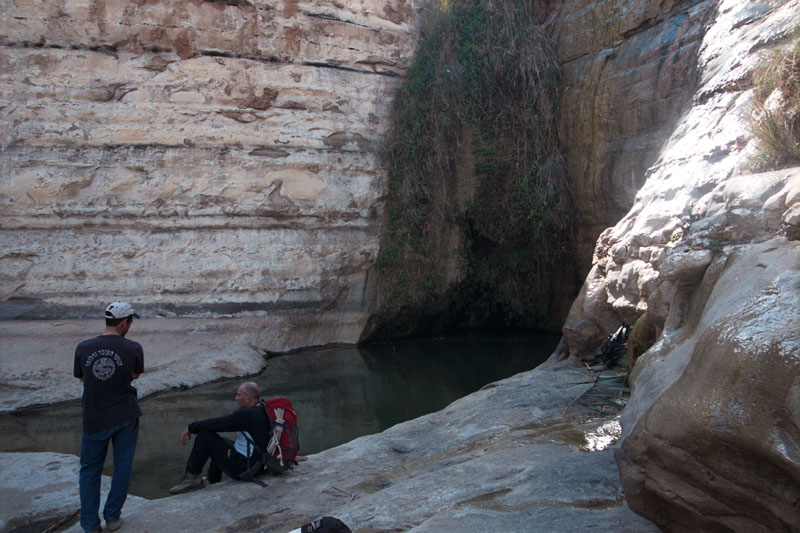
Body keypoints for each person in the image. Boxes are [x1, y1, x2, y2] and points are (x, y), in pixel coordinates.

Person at [74, 302, 144, 533]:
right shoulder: (133, 348)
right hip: (125, 414)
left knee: (90, 470)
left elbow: (82, 378)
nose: (130, 326)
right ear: (124, 322)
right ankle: (113, 518)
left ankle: (90, 525)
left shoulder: (84, 347)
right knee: (122, 467)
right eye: (130, 322)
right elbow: (135, 374)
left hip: (94, 416)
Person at [169, 381, 271, 495]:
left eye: (238, 395)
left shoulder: (246, 415)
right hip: (259, 465)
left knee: (204, 436)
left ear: (248, 398)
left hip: (244, 469)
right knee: (221, 442)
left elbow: (219, 423)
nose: (235, 398)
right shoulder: (263, 408)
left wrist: (191, 427)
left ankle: (192, 479)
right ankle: (212, 480)